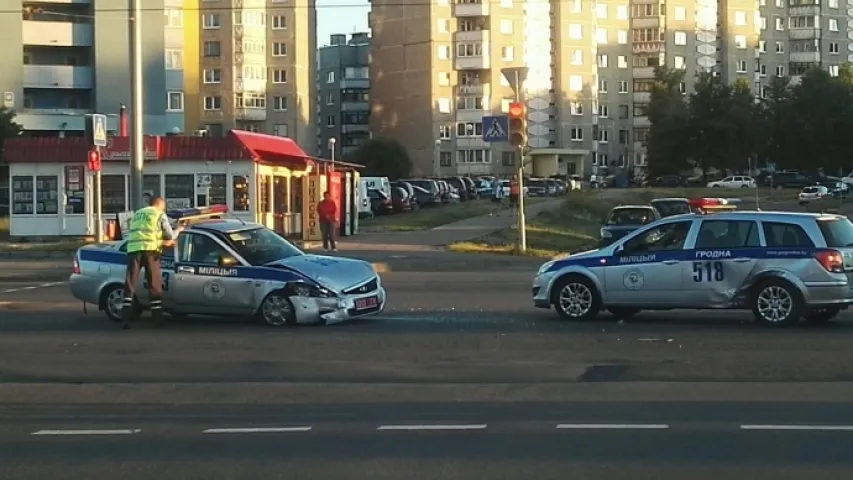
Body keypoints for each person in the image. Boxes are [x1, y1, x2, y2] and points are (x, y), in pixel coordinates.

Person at [121, 196, 180, 329]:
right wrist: (179, 230)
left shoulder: (138, 214)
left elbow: (138, 234)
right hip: (150, 252)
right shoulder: (159, 214)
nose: (164, 209)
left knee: (130, 284)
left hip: (133, 250)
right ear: (159, 204)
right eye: (164, 206)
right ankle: (157, 320)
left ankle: (125, 318)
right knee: (154, 285)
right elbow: (170, 235)